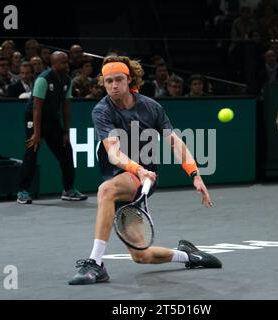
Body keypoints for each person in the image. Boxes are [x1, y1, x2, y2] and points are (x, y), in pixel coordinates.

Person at [69, 56, 221, 285]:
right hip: (129, 173)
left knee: (105, 190)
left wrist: (195, 174)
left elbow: (175, 143)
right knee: (140, 255)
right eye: (108, 81)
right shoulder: (101, 111)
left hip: (145, 178)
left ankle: (95, 263)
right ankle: (188, 254)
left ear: (129, 80)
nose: (113, 85)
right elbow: (113, 152)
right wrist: (136, 168)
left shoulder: (151, 107)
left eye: (119, 79)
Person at [17, 52, 87, 204]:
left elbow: (66, 108)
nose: (67, 65)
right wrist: (36, 133)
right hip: (34, 118)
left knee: (67, 151)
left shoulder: (67, 80)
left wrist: (66, 131)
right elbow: (37, 108)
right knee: (32, 151)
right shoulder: (43, 79)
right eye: (63, 63)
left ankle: (68, 190)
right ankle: (23, 191)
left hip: (52, 120)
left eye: (67, 62)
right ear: (54, 64)